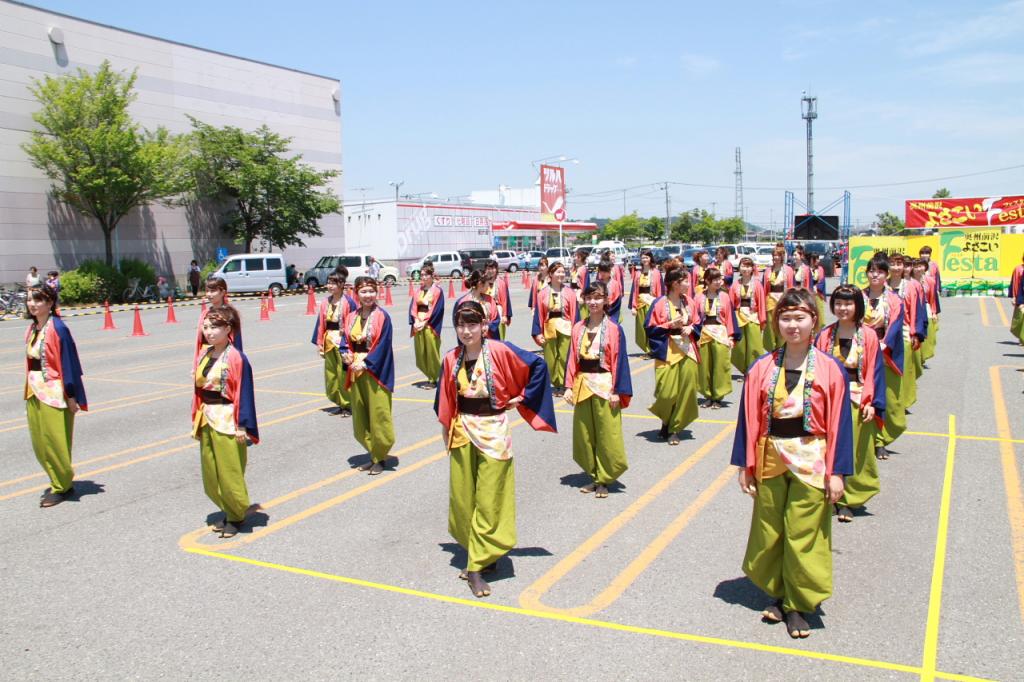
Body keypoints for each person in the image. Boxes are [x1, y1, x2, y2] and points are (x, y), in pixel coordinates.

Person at [731, 288, 853, 639]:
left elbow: (841, 426)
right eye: (785, 318)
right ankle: (778, 591)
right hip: (771, 455)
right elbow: (747, 420)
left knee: (804, 530)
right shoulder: (762, 367)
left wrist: (838, 473)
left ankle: (799, 604)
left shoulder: (831, 370)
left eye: (800, 317)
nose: (792, 325)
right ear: (776, 321)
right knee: (771, 529)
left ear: (814, 321)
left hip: (811, 458)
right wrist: (746, 465)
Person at [435, 300, 557, 598]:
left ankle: (475, 567)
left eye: (472, 324)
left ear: (484, 326)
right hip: (463, 431)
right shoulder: (451, 358)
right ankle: (481, 551)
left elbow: (538, 365)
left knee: (489, 499)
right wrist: (446, 433)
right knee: (463, 499)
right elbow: (446, 399)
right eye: (461, 325)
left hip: (493, 432)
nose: (466, 331)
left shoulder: (500, 350)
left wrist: (522, 397)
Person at [814, 284, 885, 523]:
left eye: (848, 303)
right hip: (829, 398)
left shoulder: (868, 335)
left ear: (857, 306)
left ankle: (848, 500)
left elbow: (875, 372)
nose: (843, 308)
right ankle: (826, 493)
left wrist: (873, 402)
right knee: (825, 447)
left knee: (853, 449)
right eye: (838, 303)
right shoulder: (824, 334)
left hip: (856, 396)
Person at [193, 305, 259, 538]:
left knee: (230, 470)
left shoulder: (236, 358)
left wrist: (243, 424)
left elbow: (245, 392)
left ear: (228, 329)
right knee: (211, 471)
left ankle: (235, 515)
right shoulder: (205, 353)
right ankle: (227, 507)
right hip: (207, 417)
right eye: (206, 326)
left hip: (227, 418)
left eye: (215, 327)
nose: (209, 331)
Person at [564, 282, 632, 498]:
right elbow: (571, 359)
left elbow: (620, 362)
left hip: (604, 385)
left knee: (606, 434)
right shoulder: (578, 328)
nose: (593, 302)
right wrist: (568, 386)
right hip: (583, 385)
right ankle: (594, 476)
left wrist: (617, 391)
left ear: (606, 300)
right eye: (589, 297)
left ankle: (604, 478)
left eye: (598, 297)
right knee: (585, 434)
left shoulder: (613, 329)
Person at [24, 284, 87, 508]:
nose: (32, 304)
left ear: (50, 303)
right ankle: (56, 479)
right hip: (33, 389)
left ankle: (63, 486)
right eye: (30, 299)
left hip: (54, 391)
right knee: (40, 442)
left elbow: (70, 364)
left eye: (38, 300)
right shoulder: (33, 328)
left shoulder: (58, 328)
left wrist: (72, 395)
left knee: (56, 442)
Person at [340, 276, 396, 475]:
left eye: (371, 291)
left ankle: (379, 458)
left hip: (374, 371)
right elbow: (345, 340)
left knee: (378, 416)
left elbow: (382, 346)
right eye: (363, 292)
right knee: (361, 417)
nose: (368, 295)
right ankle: (373, 453)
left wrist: (365, 362)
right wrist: (344, 354)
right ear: (357, 293)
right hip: (355, 371)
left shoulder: (382, 316)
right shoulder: (351, 316)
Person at [645, 263, 701, 445]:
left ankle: (674, 429)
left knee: (686, 390)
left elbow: (699, 322)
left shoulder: (689, 301)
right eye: (685, 281)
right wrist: (669, 325)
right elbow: (649, 329)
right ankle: (666, 420)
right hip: (667, 350)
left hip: (688, 351)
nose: (688, 284)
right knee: (666, 393)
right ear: (675, 284)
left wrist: (691, 328)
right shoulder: (659, 303)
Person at [862, 253, 906, 461]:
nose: (875, 275)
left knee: (886, 398)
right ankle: (871, 440)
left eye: (879, 271)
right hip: (860, 350)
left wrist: (884, 343)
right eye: (871, 271)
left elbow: (896, 324)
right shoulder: (858, 296)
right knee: (864, 397)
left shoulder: (894, 299)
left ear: (886, 274)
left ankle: (882, 438)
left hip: (884, 352)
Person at [312, 269, 356, 416]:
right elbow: (321, 324)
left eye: (334, 283)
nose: (330, 286)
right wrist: (319, 342)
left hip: (342, 342)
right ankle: (338, 400)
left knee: (342, 373)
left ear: (342, 284)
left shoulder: (348, 302)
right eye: (329, 282)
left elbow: (353, 323)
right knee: (331, 375)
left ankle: (347, 404)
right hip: (329, 340)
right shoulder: (325, 302)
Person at [694, 267, 740, 409]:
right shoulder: (699, 296)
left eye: (720, 279)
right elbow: (695, 318)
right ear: (707, 281)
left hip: (720, 332)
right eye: (716, 280)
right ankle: (707, 395)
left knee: (720, 365)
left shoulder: (725, 296)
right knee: (705, 366)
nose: (720, 282)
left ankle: (718, 397)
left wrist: (732, 337)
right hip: (704, 333)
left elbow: (731, 318)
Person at [532, 261, 579, 396]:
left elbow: (575, 313)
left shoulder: (569, 292)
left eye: (563, 272)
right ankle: (555, 383)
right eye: (558, 271)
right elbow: (538, 315)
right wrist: (537, 333)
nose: (561, 274)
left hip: (566, 326)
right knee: (551, 358)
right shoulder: (543, 293)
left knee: (565, 356)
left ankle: (565, 384)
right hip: (549, 327)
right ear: (551, 274)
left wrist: (577, 330)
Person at [888, 254, 926, 411]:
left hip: (904, 331)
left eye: (899, 264)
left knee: (904, 369)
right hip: (887, 332)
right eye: (892, 264)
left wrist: (916, 333)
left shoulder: (910, 286)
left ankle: (904, 401)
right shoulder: (884, 285)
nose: (896, 267)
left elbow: (916, 311)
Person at [409, 262, 445, 387]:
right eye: (422, 275)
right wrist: (415, 320)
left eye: (425, 275)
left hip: (430, 325)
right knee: (421, 354)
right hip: (418, 322)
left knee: (431, 353)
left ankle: (435, 378)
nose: (423, 277)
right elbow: (413, 307)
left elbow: (437, 309)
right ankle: (430, 376)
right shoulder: (418, 291)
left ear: (431, 276)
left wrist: (425, 322)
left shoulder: (437, 291)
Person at [729, 257, 767, 374]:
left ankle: (754, 370)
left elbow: (761, 303)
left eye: (748, 266)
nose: (746, 269)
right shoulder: (735, 285)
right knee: (739, 347)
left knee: (754, 345)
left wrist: (762, 320)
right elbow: (731, 304)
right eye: (743, 266)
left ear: (752, 268)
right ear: (739, 268)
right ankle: (744, 370)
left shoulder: (757, 284)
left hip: (753, 316)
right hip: (739, 316)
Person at [195, 276, 242, 363]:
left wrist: (237, 363)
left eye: (213, 291)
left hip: (225, 360)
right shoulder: (204, 314)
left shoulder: (230, 314)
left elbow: (237, 343)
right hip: (206, 358)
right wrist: (196, 365)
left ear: (222, 292)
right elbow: (199, 342)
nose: (209, 294)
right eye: (207, 291)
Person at [629, 250, 664, 356]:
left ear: (651, 258)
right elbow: (634, 290)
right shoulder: (638, 273)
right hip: (640, 302)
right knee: (641, 327)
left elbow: (660, 290)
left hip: (651, 302)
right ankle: (646, 349)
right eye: (643, 258)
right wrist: (633, 306)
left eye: (647, 257)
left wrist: (659, 304)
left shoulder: (656, 272)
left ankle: (653, 349)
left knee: (651, 326)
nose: (644, 260)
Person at [760, 245, 794, 351]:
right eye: (774, 255)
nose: (776, 257)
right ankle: (771, 349)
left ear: (782, 256)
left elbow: (791, 287)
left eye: (778, 255)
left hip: (783, 300)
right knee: (770, 326)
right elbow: (764, 288)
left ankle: (782, 348)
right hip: (770, 300)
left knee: (782, 324)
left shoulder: (788, 270)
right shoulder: (768, 271)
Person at [454, 269, 500, 339]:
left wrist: (488, 326)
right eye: (488, 283)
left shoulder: (489, 299)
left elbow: (496, 318)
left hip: (489, 338)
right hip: (470, 338)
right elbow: (458, 323)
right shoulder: (462, 302)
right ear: (480, 284)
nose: (489, 286)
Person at [484, 259, 512, 340]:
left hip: (498, 312)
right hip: (485, 312)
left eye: (493, 268)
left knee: (499, 337)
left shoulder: (501, 282)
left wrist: (504, 315)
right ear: (485, 269)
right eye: (488, 268)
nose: (491, 271)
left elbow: (504, 300)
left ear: (496, 269)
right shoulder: (482, 282)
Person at [808, 254, 828, 323]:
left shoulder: (820, 269)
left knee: (819, 314)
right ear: (811, 260)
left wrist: (816, 287)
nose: (818, 261)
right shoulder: (807, 269)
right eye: (816, 259)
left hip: (818, 294)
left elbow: (822, 281)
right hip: (809, 294)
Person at [1010, 253, 1024, 346]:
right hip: (1021, 297)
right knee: (1019, 320)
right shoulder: (1019, 269)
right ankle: (1021, 338)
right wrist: (1014, 297)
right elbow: (1015, 284)